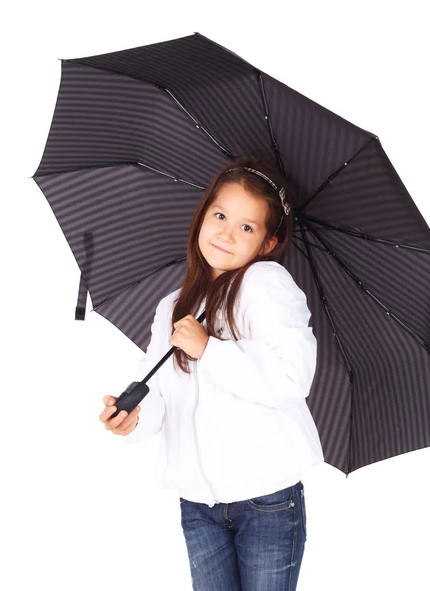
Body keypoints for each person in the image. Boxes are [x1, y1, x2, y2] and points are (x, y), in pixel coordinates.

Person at [99, 155, 324, 590]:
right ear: (202, 214)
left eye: (246, 227)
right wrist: (135, 417)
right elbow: (160, 390)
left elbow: (292, 378)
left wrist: (209, 350)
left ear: (268, 243)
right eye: (219, 215)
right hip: (199, 503)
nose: (226, 231)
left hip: (266, 499)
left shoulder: (264, 284)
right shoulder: (173, 307)